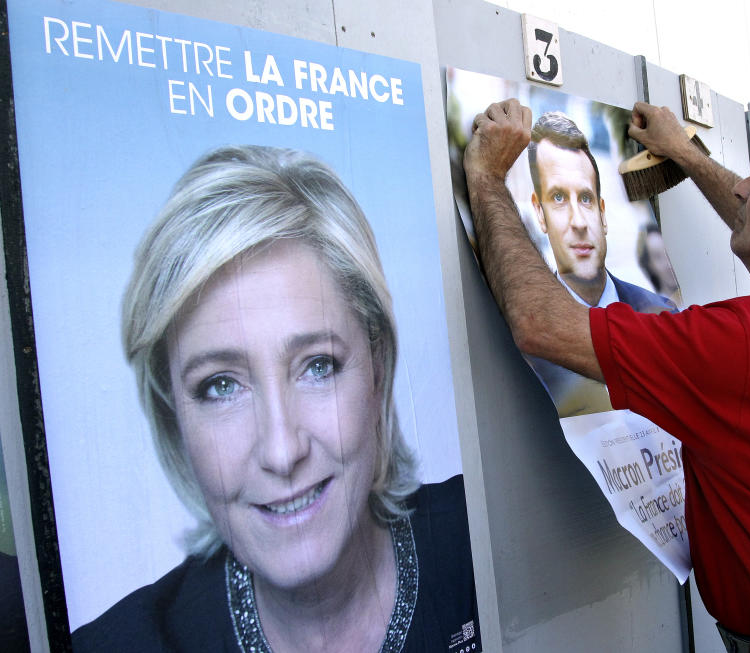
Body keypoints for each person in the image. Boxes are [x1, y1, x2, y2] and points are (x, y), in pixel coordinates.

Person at [463, 99, 750, 652]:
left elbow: (539, 325)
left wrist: (486, 176)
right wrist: (683, 152)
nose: (744, 187)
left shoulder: (745, 346)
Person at [72, 146, 480, 653]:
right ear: (173, 416)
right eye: (221, 386)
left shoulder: (489, 536)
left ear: (377, 367)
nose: (282, 451)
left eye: (318, 366)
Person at [524, 111, 676, 417]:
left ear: (602, 212)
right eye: (557, 198)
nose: (578, 222)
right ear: (539, 214)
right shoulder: (527, 344)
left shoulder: (664, 315)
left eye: (585, 198)